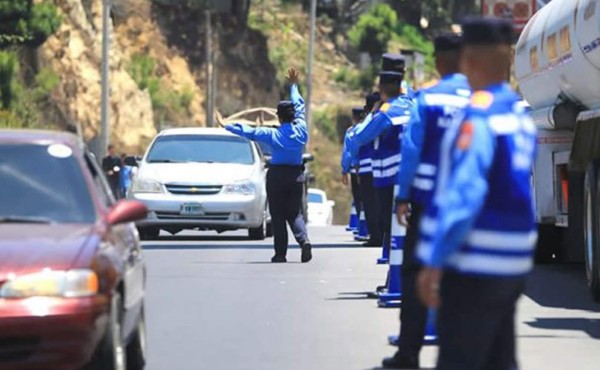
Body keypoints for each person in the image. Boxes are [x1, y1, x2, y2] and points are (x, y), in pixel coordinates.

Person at [416, 17, 537, 370]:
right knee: (500, 360)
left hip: (473, 264)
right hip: (513, 264)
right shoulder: (518, 115)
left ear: (469, 61)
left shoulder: (478, 119)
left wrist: (435, 260)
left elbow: (465, 195)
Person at [382, 33, 471, 369]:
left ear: (437, 60)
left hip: (429, 206)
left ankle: (409, 354)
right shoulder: (484, 100)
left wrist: (403, 196)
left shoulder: (428, 99)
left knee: (416, 277)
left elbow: (411, 150)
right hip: (470, 208)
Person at [226, 68, 312, 263]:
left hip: (277, 176)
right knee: (294, 213)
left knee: (278, 214)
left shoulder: (272, 134)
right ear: (293, 117)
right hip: (296, 176)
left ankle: (280, 254)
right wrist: (294, 86)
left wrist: (227, 125)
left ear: (279, 117)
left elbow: (249, 132)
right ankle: (304, 240)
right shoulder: (301, 131)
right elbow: (299, 105)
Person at [347, 54, 413, 253]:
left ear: (382, 89)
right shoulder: (413, 103)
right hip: (410, 174)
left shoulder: (385, 113)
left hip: (386, 178)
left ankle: (394, 279)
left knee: (390, 225)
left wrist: (372, 113)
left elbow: (359, 137)